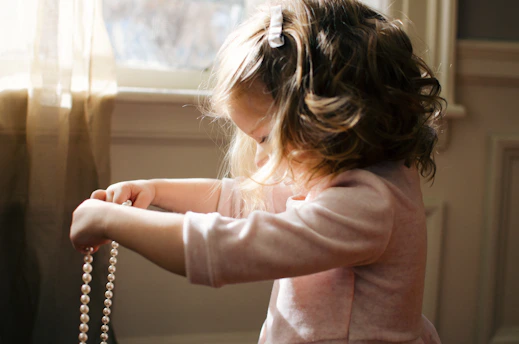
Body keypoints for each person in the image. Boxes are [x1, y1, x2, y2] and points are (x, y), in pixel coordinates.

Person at [70, 0, 445, 342]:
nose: (263, 158)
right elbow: (238, 199)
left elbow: (225, 249)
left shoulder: (367, 204)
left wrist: (109, 221)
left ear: (332, 117)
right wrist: (153, 190)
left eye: (266, 138)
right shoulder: (341, 176)